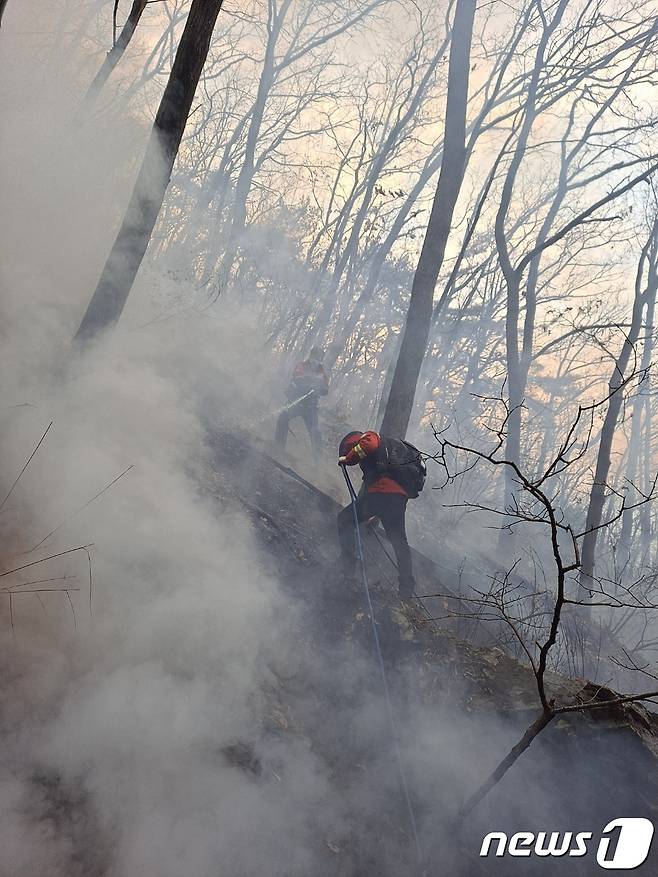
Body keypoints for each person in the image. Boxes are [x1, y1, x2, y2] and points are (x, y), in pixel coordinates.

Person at [337, 430, 425, 600]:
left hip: (382, 495)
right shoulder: (385, 457)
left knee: (344, 519)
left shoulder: (369, 437)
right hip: (397, 501)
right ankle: (406, 589)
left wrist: (347, 459)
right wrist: (376, 516)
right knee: (400, 543)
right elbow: (390, 491)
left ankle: (348, 565)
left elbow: (368, 444)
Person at [275, 347, 329, 457]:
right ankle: (278, 448)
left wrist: (320, 388)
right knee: (283, 417)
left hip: (310, 407)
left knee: (315, 433)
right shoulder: (302, 365)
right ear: (311, 356)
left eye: (319, 358)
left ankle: (318, 462)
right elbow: (297, 377)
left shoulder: (321, 372)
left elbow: (325, 389)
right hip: (296, 401)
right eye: (316, 356)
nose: (317, 360)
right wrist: (309, 382)